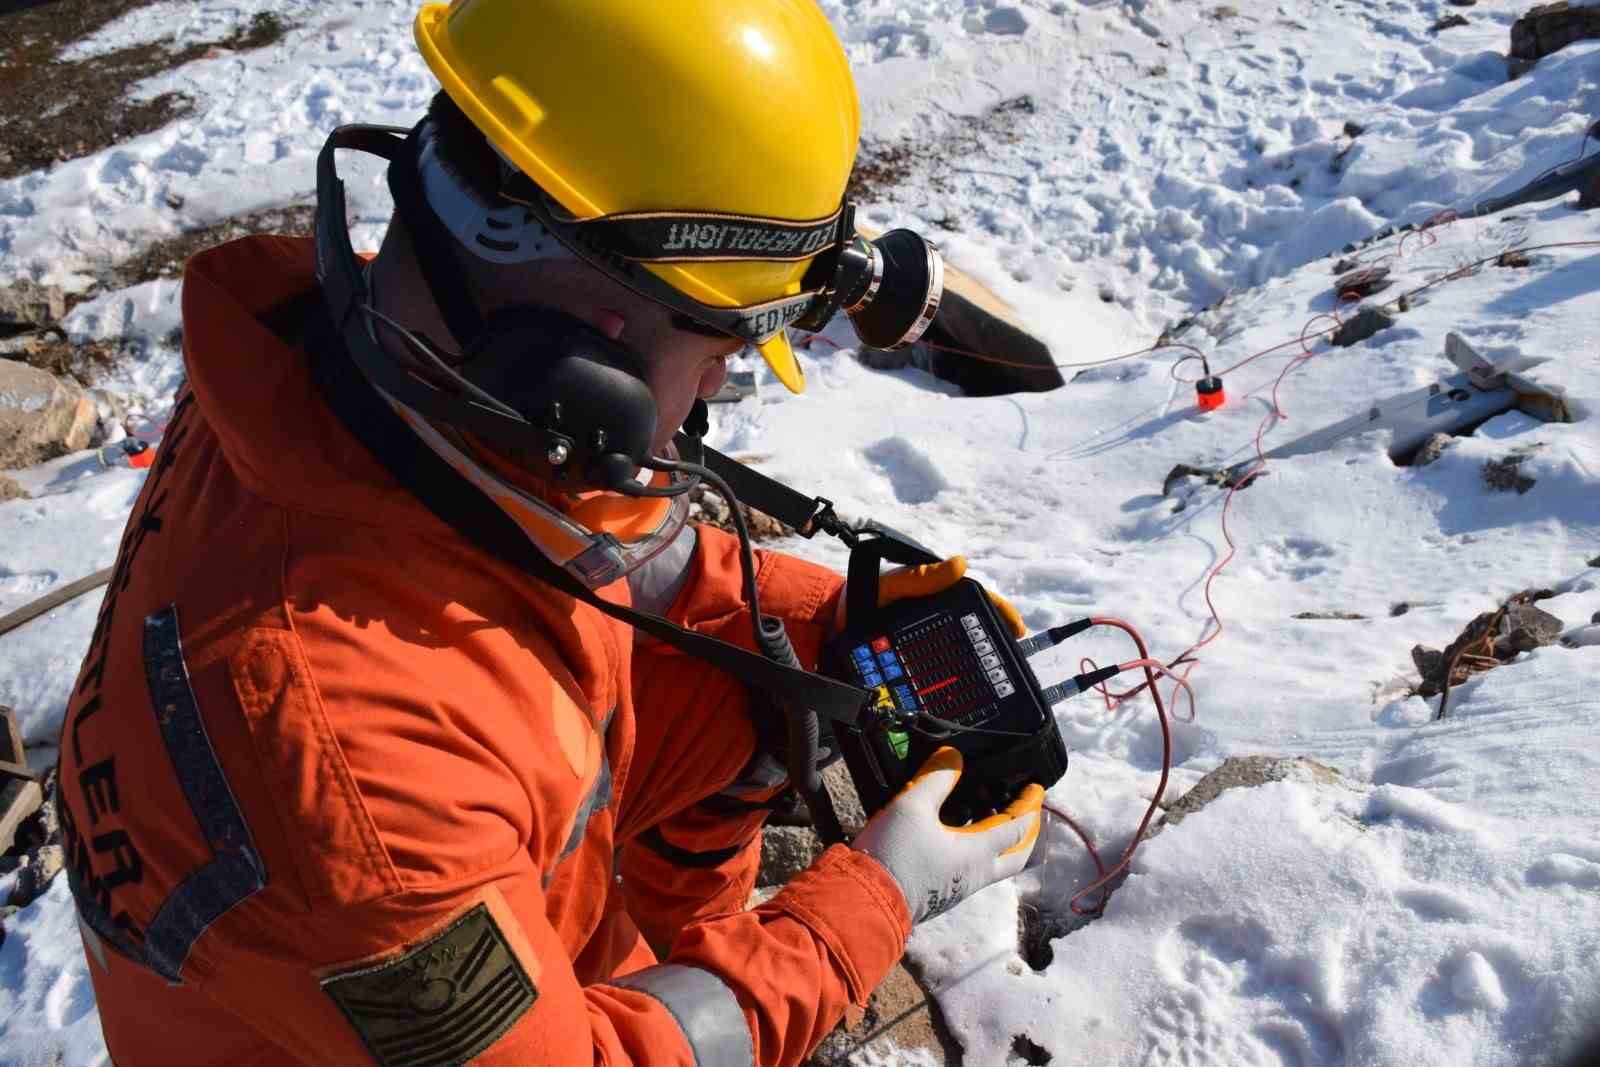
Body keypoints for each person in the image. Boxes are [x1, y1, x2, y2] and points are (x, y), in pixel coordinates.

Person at [55, 3, 1042, 1065]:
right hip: (436, 1002)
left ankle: (686, 937)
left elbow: (569, 560)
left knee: (754, 673)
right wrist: (864, 906)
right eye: (727, 337)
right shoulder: (355, 791)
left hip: (449, 877)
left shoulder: (375, 362)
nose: (722, 378)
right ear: (586, 348)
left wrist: (820, 617)